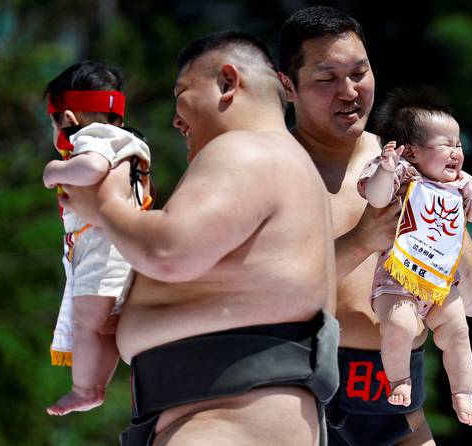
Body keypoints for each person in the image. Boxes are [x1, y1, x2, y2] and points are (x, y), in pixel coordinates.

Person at [62, 31, 339, 446]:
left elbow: (170, 250)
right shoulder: (277, 161)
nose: (176, 119)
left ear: (227, 83)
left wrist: (103, 204)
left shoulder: (247, 149)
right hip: (220, 415)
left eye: (182, 93)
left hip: (232, 418)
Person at [278, 6, 472, 445]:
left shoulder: (416, 169)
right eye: (326, 79)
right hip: (287, 404)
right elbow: (261, 295)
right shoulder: (263, 166)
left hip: (393, 409)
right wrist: (362, 241)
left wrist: (444, 250)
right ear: (288, 86)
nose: (349, 91)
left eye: (360, 72)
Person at [358, 87, 472, 426]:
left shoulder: (461, 184)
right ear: (411, 152)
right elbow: (377, 198)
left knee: (458, 332)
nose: (456, 151)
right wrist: (385, 168)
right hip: (398, 278)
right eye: (445, 144)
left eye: (457, 143)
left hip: (440, 283)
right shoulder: (402, 176)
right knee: (399, 325)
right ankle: (399, 380)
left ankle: (463, 394)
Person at [43, 60, 152, 416]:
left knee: (87, 324)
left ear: (69, 119)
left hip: (101, 248)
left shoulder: (92, 140)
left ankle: (85, 387)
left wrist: (55, 169)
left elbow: (92, 168)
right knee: (103, 327)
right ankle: (93, 386)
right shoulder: (129, 143)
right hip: (122, 247)